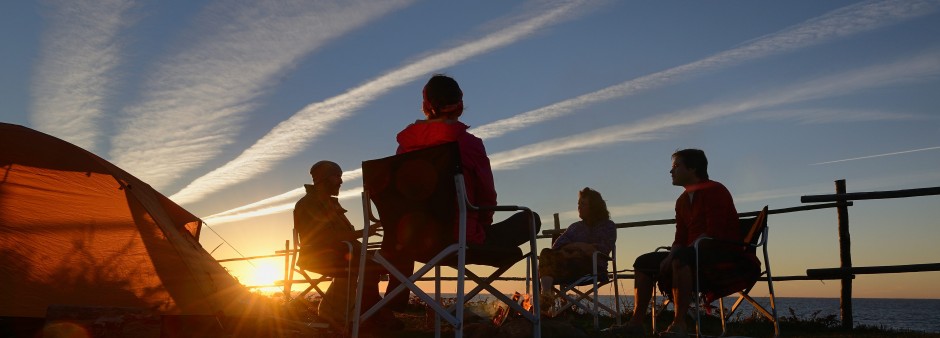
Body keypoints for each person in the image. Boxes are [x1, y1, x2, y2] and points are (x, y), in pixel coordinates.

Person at [386, 73, 541, 310]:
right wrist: (480, 228)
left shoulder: (404, 147)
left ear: (426, 105)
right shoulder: (468, 144)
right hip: (460, 241)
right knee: (531, 219)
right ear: (459, 105)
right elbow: (487, 196)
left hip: (414, 241)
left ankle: (391, 309)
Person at [624, 149, 740, 337]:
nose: (671, 172)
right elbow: (680, 236)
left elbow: (714, 232)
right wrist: (670, 255)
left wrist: (677, 254)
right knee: (643, 262)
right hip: (689, 253)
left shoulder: (715, 190)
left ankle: (679, 324)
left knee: (681, 257)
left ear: (693, 168)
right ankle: (636, 322)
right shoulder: (682, 201)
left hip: (720, 251)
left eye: (676, 166)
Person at [293, 160, 400, 330]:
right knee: (370, 266)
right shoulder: (309, 204)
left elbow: (343, 237)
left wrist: (364, 238)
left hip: (341, 252)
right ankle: (369, 314)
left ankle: (366, 313)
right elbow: (326, 237)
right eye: (337, 177)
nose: (341, 182)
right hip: (320, 255)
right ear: (323, 179)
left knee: (387, 260)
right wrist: (363, 233)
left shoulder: (330, 203)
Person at [537, 187, 617, 311]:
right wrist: (580, 246)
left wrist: (572, 251)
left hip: (592, 268)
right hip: (567, 265)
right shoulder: (575, 227)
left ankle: (544, 304)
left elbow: (601, 250)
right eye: (578, 204)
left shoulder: (608, 226)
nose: (579, 207)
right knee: (546, 253)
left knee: (556, 261)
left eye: (583, 204)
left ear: (594, 207)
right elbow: (557, 246)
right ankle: (546, 294)